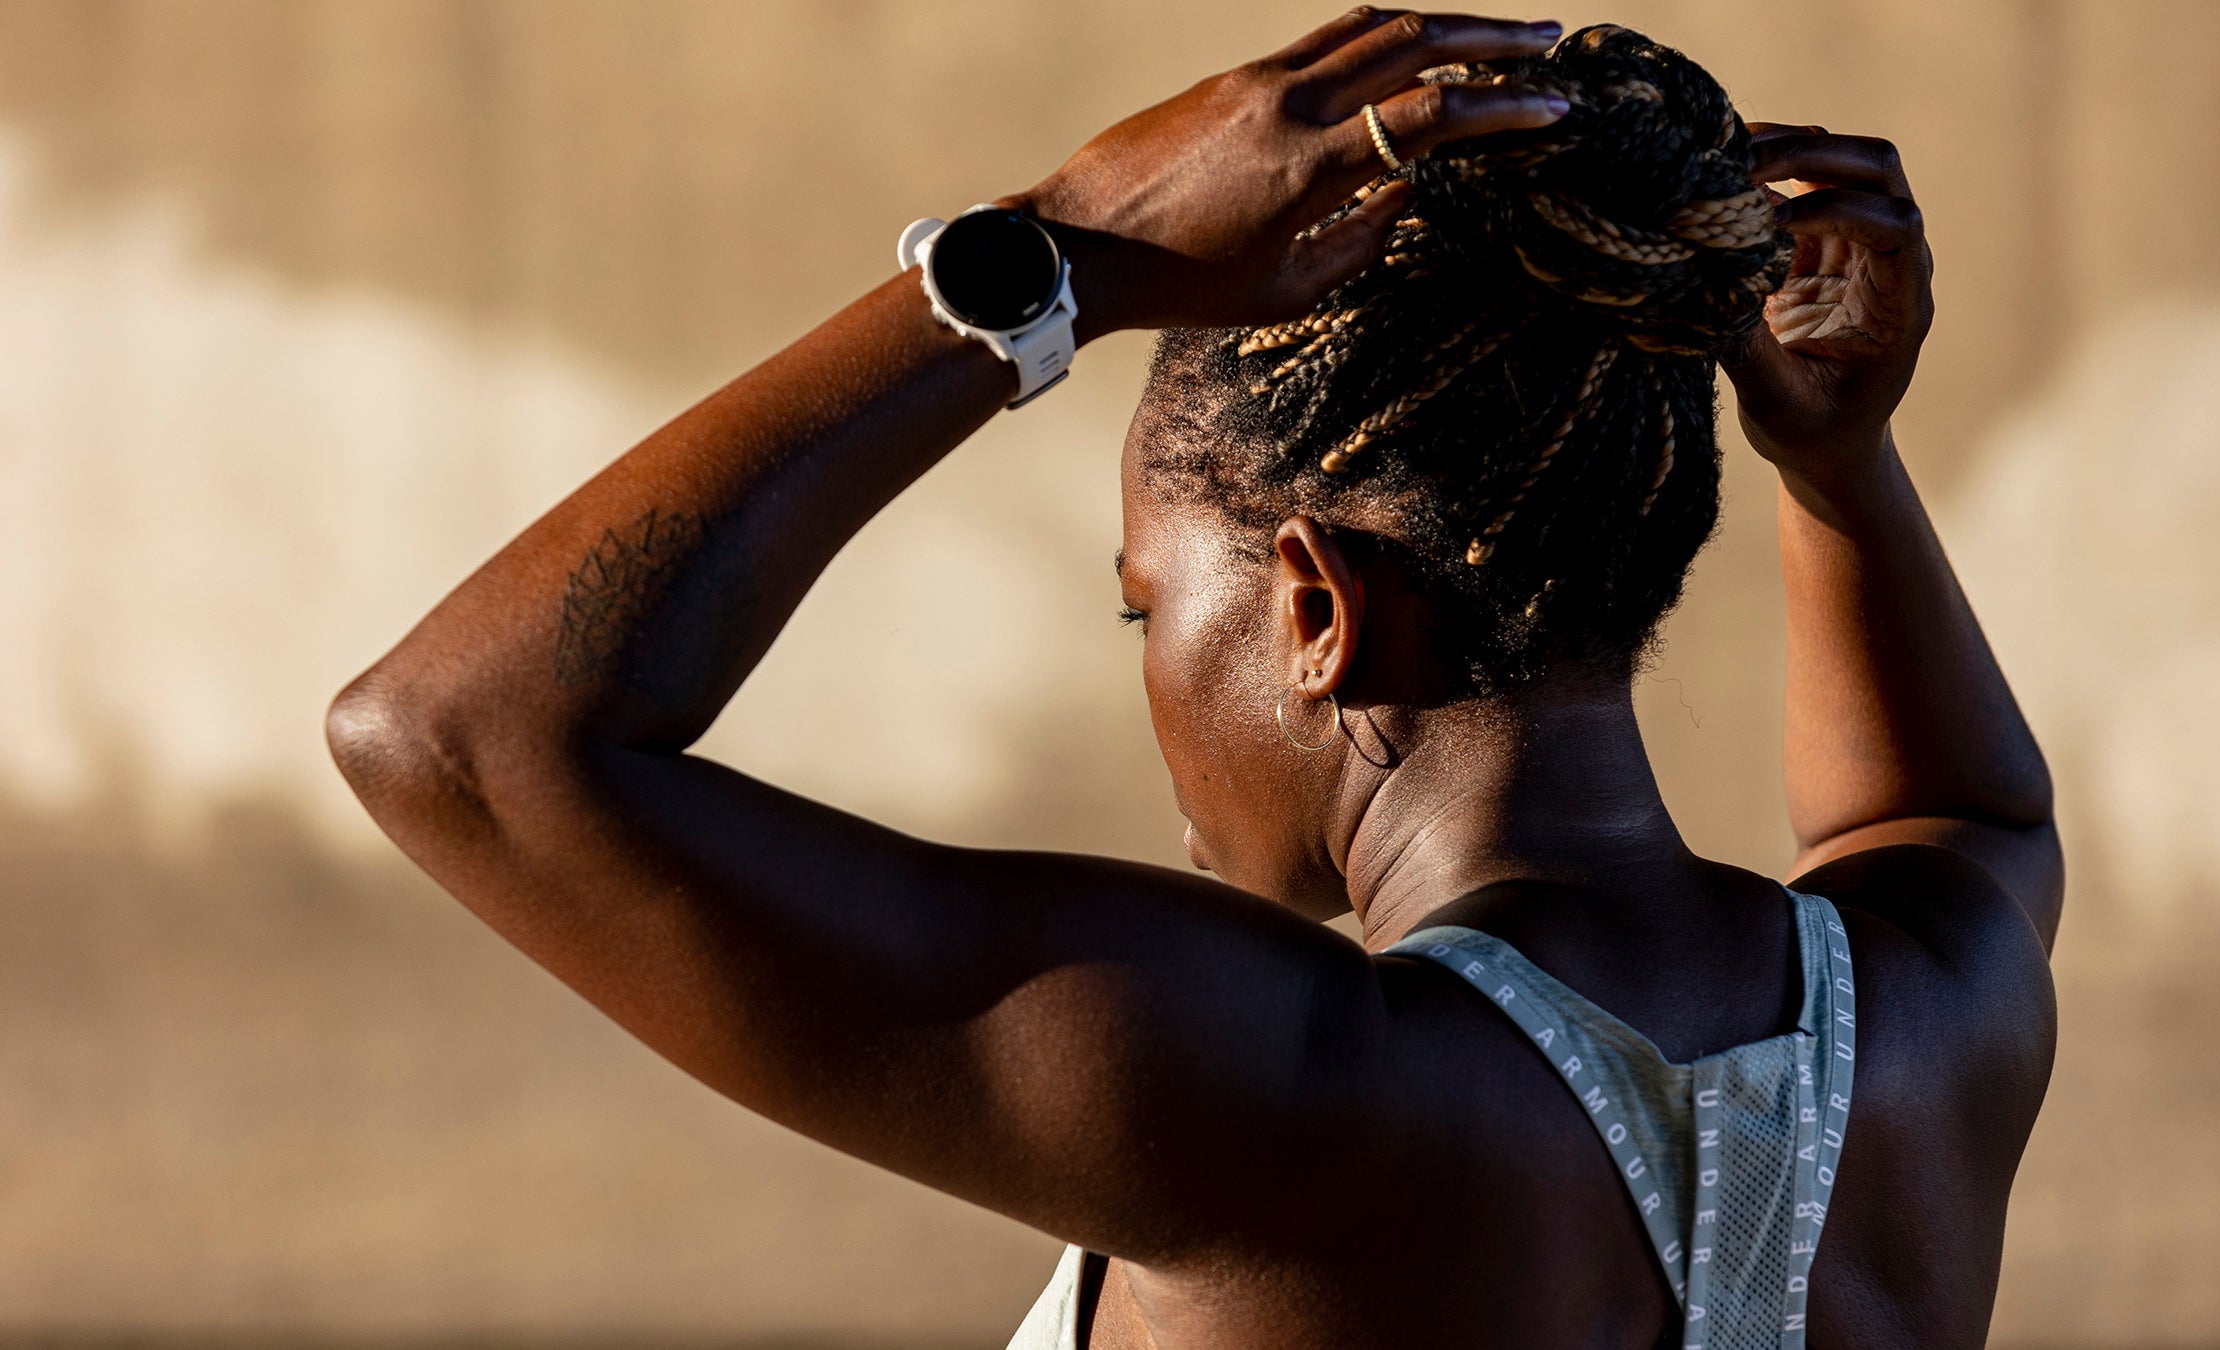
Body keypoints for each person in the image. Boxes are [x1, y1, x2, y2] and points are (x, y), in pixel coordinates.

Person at [328, 11, 2059, 1348]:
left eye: (1145, 607)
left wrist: (1055, 251)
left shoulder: (1273, 1088)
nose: (1149, 675)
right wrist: (1839, 469)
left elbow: (463, 738)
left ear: (1315, 609)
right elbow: (1951, 809)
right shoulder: (1932, 1012)